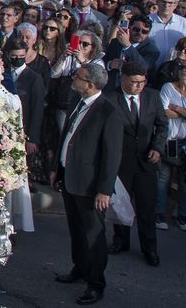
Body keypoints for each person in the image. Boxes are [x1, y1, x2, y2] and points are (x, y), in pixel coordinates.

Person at [55, 63, 123, 304]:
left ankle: (96, 283)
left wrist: (104, 190)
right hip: (70, 178)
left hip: (90, 185)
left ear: (91, 85)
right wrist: (57, 168)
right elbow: (67, 136)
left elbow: (112, 155)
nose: (74, 79)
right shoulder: (77, 101)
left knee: (93, 235)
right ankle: (79, 268)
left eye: (79, 77)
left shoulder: (108, 112)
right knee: (76, 231)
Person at [105, 60, 167, 264]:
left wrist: (157, 148)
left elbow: (162, 125)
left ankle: (150, 248)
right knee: (121, 205)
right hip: (121, 161)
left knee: (146, 207)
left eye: (142, 82)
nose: (138, 86)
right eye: (134, 82)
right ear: (123, 79)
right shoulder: (111, 98)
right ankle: (120, 240)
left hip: (146, 161)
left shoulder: (153, 96)